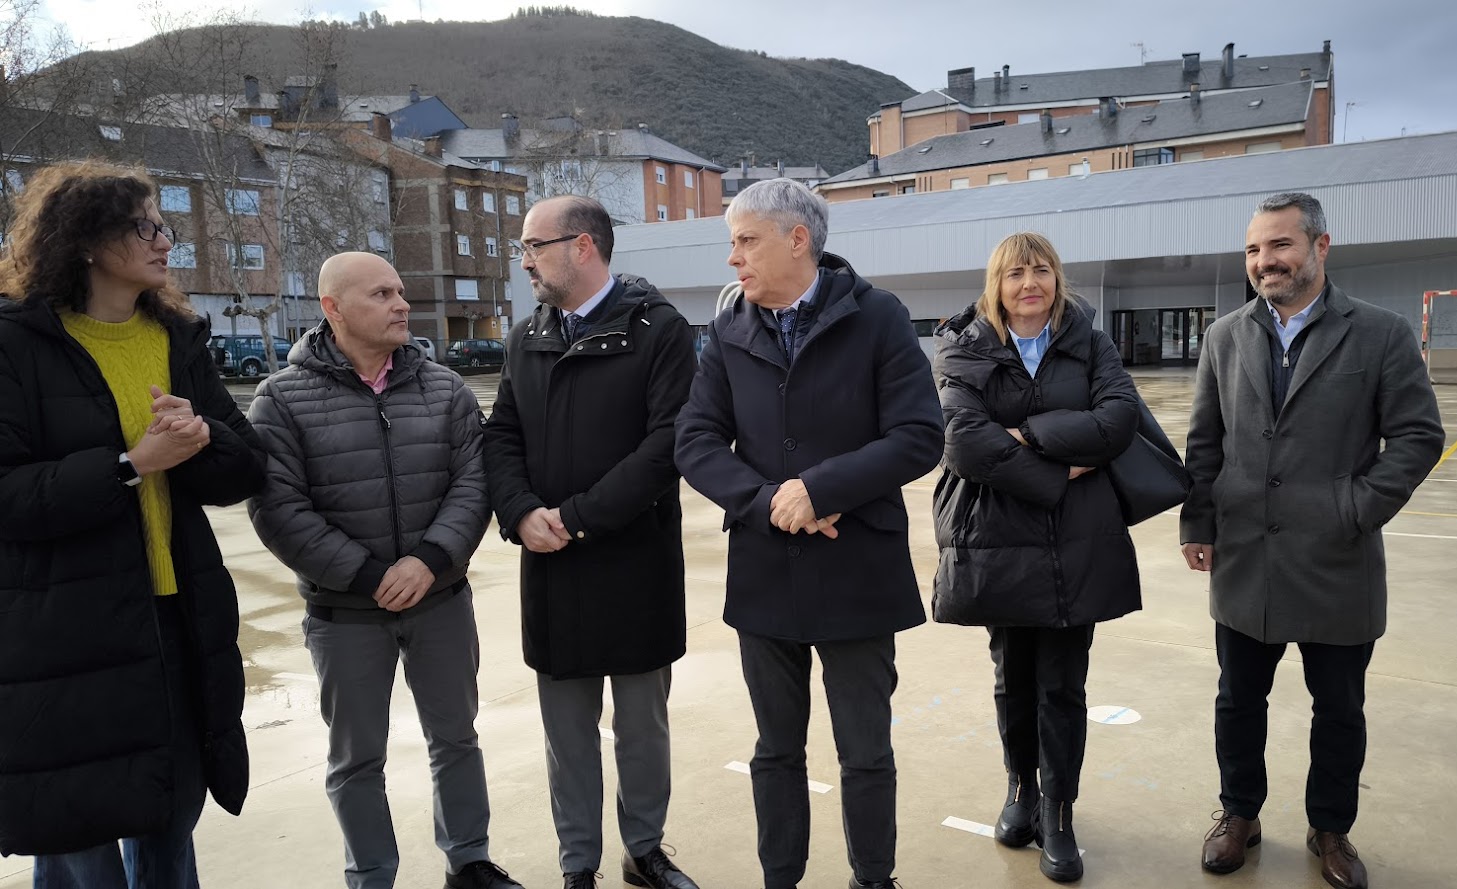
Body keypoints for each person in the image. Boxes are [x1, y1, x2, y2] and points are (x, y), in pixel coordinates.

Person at [0, 161, 265, 888]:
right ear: (86, 240)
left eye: (164, 225)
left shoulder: (176, 337)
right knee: (76, 835)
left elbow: (247, 467)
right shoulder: (15, 343)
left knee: (169, 820)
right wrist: (130, 462)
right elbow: (9, 495)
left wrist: (201, 435)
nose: (164, 241)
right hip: (61, 635)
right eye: (144, 226)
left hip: (174, 620)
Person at [674, 178, 944, 889]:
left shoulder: (879, 317)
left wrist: (820, 489)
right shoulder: (729, 326)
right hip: (766, 569)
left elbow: (920, 435)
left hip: (858, 568)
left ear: (799, 240)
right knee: (775, 749)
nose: (732, 258)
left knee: (864, 749)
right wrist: (770, 500)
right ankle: (780, 879)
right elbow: (696, 439)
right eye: (730, 241)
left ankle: (873, 878)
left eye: (745, 240)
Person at [1180, 193, 1444, 889]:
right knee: (1238, 701)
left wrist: (1354, 507)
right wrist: (1197, 521)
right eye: (1253, 251)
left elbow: (1418, 436)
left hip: (1337, 559)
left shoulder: (1381, 334)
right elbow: (1205, 441)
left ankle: (1331, 827)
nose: (1265, 262)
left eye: (1279, 246)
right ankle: (1239, 813)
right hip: (1244, 559)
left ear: (1320, 246)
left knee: (1340, 709)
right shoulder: (1225, 336)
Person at [247, 252, 521, 889]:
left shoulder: (444, 388)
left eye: (401, 291)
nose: (402, 304)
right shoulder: (280, 399)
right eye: (382, 294)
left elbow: (473, 483)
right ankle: (371, 874)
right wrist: (371, 576)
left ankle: (469, 861)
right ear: (333, 308)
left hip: (441, 599)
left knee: (456, 737)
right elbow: (279, 509)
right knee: (356, 759)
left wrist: (430, 561)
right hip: (345, 614)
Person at [482, 196, 701, 889]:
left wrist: (574, 517)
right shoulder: (526, 337)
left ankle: (645, 850)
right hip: (551, 569)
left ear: (582, 247)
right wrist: (519, 511)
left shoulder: (660, 331)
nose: (524, 262)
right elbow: (502, 436)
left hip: (634, 564)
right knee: (566, 733)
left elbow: (668, 444)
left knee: (642, 728)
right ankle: (579, 863)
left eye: (532, 247)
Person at [931, 232, 1141, 883]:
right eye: (1016, 272)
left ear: (1058, 277)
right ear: (996, 282)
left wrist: (1022, 435)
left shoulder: (1088, 340)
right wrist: (1056, 467)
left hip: (1075, 543)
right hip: (998, 542)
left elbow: (1120, 418)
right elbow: (963, 441)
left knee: (1062, 683)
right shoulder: (963, 345)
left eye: (1041, 269)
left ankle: (1058, 812)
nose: (1030, 282)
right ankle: (1020, 787)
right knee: (1012, 678)